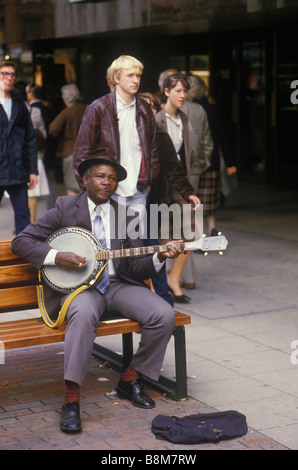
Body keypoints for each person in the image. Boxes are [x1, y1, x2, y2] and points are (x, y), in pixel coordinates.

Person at [11, 148, 186, 434]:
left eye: (112, 178)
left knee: (163, 314)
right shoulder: (66, 207)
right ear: (85, 180)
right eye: (101, 176)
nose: (107, 182)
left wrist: (160, 257)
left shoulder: (127, 215)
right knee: (82, 313)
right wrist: (57, 256)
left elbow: (137, 266)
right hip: (81, 289)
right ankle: (71, 399)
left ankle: (131, 377)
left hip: (118, 285)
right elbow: (23, 241)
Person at [73, 55, 160, 231]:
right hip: (106, 189)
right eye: (130, 75)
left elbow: (153, 150)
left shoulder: (144, 109)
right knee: (107, 244)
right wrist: (89, 189)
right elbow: (82, 152)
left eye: (138, 76)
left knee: (134, 245)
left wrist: (150, 180)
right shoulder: (98, 108)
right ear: (116, 78)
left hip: (138, 189)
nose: (136, 80)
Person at [138, 92, 200, 305]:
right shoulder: (126, 135)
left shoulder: (161, 136)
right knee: (138, 249)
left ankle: (163, 299)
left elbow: (174, 167)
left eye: (152, 108)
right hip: (131, 200)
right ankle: (145, 298)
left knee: (157, 247)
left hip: (156, 199)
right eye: (142, 107)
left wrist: (187, 192)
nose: (147, 111)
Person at [155, 72, 194, 303]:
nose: (183, 95)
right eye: (178, 90)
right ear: (166, 91)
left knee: (189, 234)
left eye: (185, 91)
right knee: (159, 237)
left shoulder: (184, 118)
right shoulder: (157, 118)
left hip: (180, 184)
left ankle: (174, 280)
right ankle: (157, 286)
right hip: (161, 185)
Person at [189, 75, 237, 236]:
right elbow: (223, 136)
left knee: (195, 200)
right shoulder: (213, 109)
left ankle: (200, 233)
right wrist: (230, 162)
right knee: (209, 197)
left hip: (191, 162)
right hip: (212, 160)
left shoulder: (184, 110)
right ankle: (212, 227)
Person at [0, 60, 38, 234]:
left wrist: (33, 170)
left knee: (24, 217)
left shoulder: (19, 105)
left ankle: (26, 256)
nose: (9, 78)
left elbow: (30, 138)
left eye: (12, 74)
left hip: (18, 169)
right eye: (4, 73)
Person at [49, 84, 87, 195]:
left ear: (65, 99)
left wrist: (61, 138)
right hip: (88, 151)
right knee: (86, 185)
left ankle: (75, 212)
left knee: (71, 186)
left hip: (71, 151)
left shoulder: (67, 112)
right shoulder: (87, 109)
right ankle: (86, 211)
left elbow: (53, 128)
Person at [25, 83, 58, 210]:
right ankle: (51, 212)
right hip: (48, 150)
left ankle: (30, 217)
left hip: (33, 153)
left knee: (31, 187)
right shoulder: (49, 110)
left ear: (31, 93)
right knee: (50, 181)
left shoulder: (27, 111)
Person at [26, 84, 50, 222]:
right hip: (36, 155)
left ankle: (26, 224)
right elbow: (44, 135)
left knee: (27, 193)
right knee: (32, 193)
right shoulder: (38, 111)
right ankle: (29, 224)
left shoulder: (26, 110)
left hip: (20, 158)